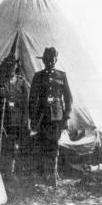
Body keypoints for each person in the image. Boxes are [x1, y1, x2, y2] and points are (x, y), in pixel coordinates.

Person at [28, 47, 73, 187]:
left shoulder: (62, 76)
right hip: (42, 118)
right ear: (44, 61)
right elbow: (32, 99)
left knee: (53, 146)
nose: (50, 62)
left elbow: (68, 98)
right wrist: (32, 118)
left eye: (53, 60)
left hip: (56, 118)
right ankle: (42, 177)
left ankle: (53, 176)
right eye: (48, 60)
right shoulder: (38, 76)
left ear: (56, 60)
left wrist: (66, 117)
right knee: (41, 146)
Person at [0, 53, 30, 178]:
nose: (11, 68)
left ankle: (14, 172)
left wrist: (26, 120)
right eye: (8, 66)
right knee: (2, 146)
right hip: (2, 121)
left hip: (17, 121)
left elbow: (27, 104)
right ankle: (2, 171)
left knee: (15, 147)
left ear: (16, 66)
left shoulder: (22, 82)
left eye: (13, 66)